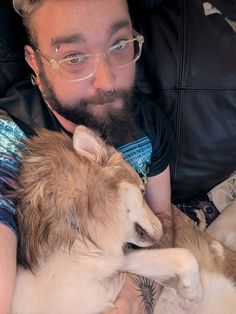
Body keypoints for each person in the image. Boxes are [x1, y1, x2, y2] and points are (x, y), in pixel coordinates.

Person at [0, 0, 176, 313]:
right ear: (36, 64)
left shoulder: (149, 122)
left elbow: (161, 219)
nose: (107, 82)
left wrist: (133, 299)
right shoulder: (9, 135)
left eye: (119, 44)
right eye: (74, 57)